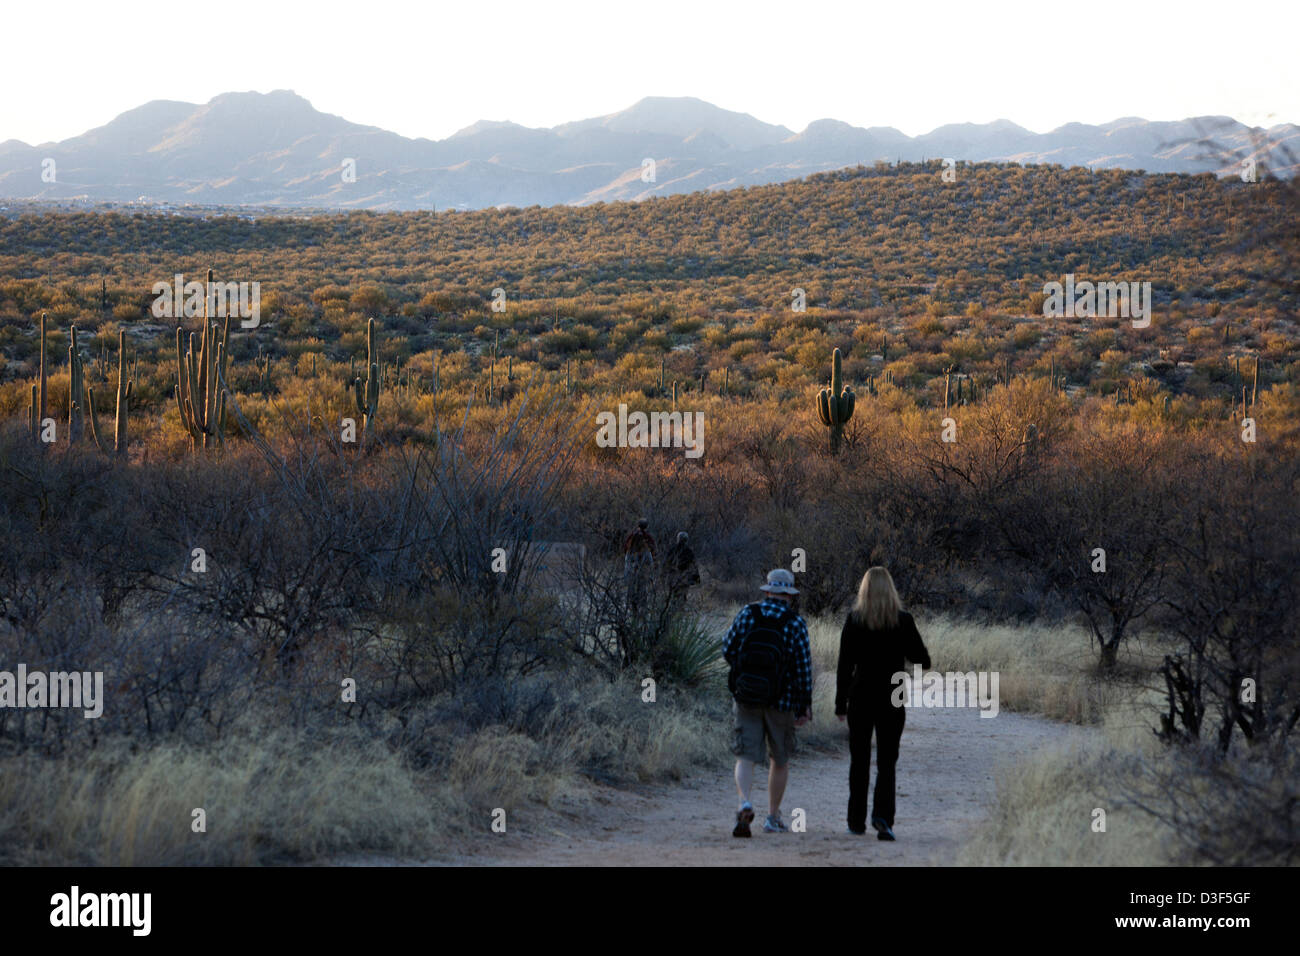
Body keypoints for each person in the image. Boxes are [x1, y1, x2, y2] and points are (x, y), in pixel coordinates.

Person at [835, 566, 930, 841]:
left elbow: (844, 666)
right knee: (888, 761)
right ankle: (883, 818)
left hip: (861, 696)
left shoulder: (854, 620)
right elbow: (923, 660)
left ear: (864, 590)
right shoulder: (904, 620)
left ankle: (855, 821)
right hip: (893, 696)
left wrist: (840, 704)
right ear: (891, 589)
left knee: (859, 760)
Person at [722, 568, 812, 837]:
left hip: (746, 695)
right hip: (781, 700)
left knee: (745, 755)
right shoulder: (795, 623)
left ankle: (745, 803)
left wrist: (745, 675)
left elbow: (727, 648)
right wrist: (803, 703)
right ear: (789, 595)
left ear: (768, 590)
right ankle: (772, 818)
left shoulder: (748, 613)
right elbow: (803, 668)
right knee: (779, 759)